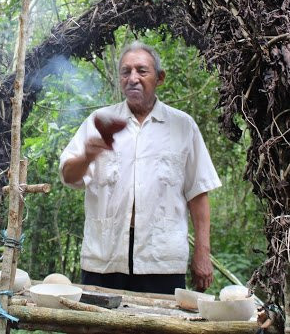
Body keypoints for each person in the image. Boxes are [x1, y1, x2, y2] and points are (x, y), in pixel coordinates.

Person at [59, 41, 221, 294]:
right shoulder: (99, 121)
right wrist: (87, 157)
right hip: (105, 256)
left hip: (162, 259)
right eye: (126, 72)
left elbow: (198, 192)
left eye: (141, 71)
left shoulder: (182, 126)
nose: (132, 78)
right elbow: (69, 177)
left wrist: (203, 251)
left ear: (160, 78)